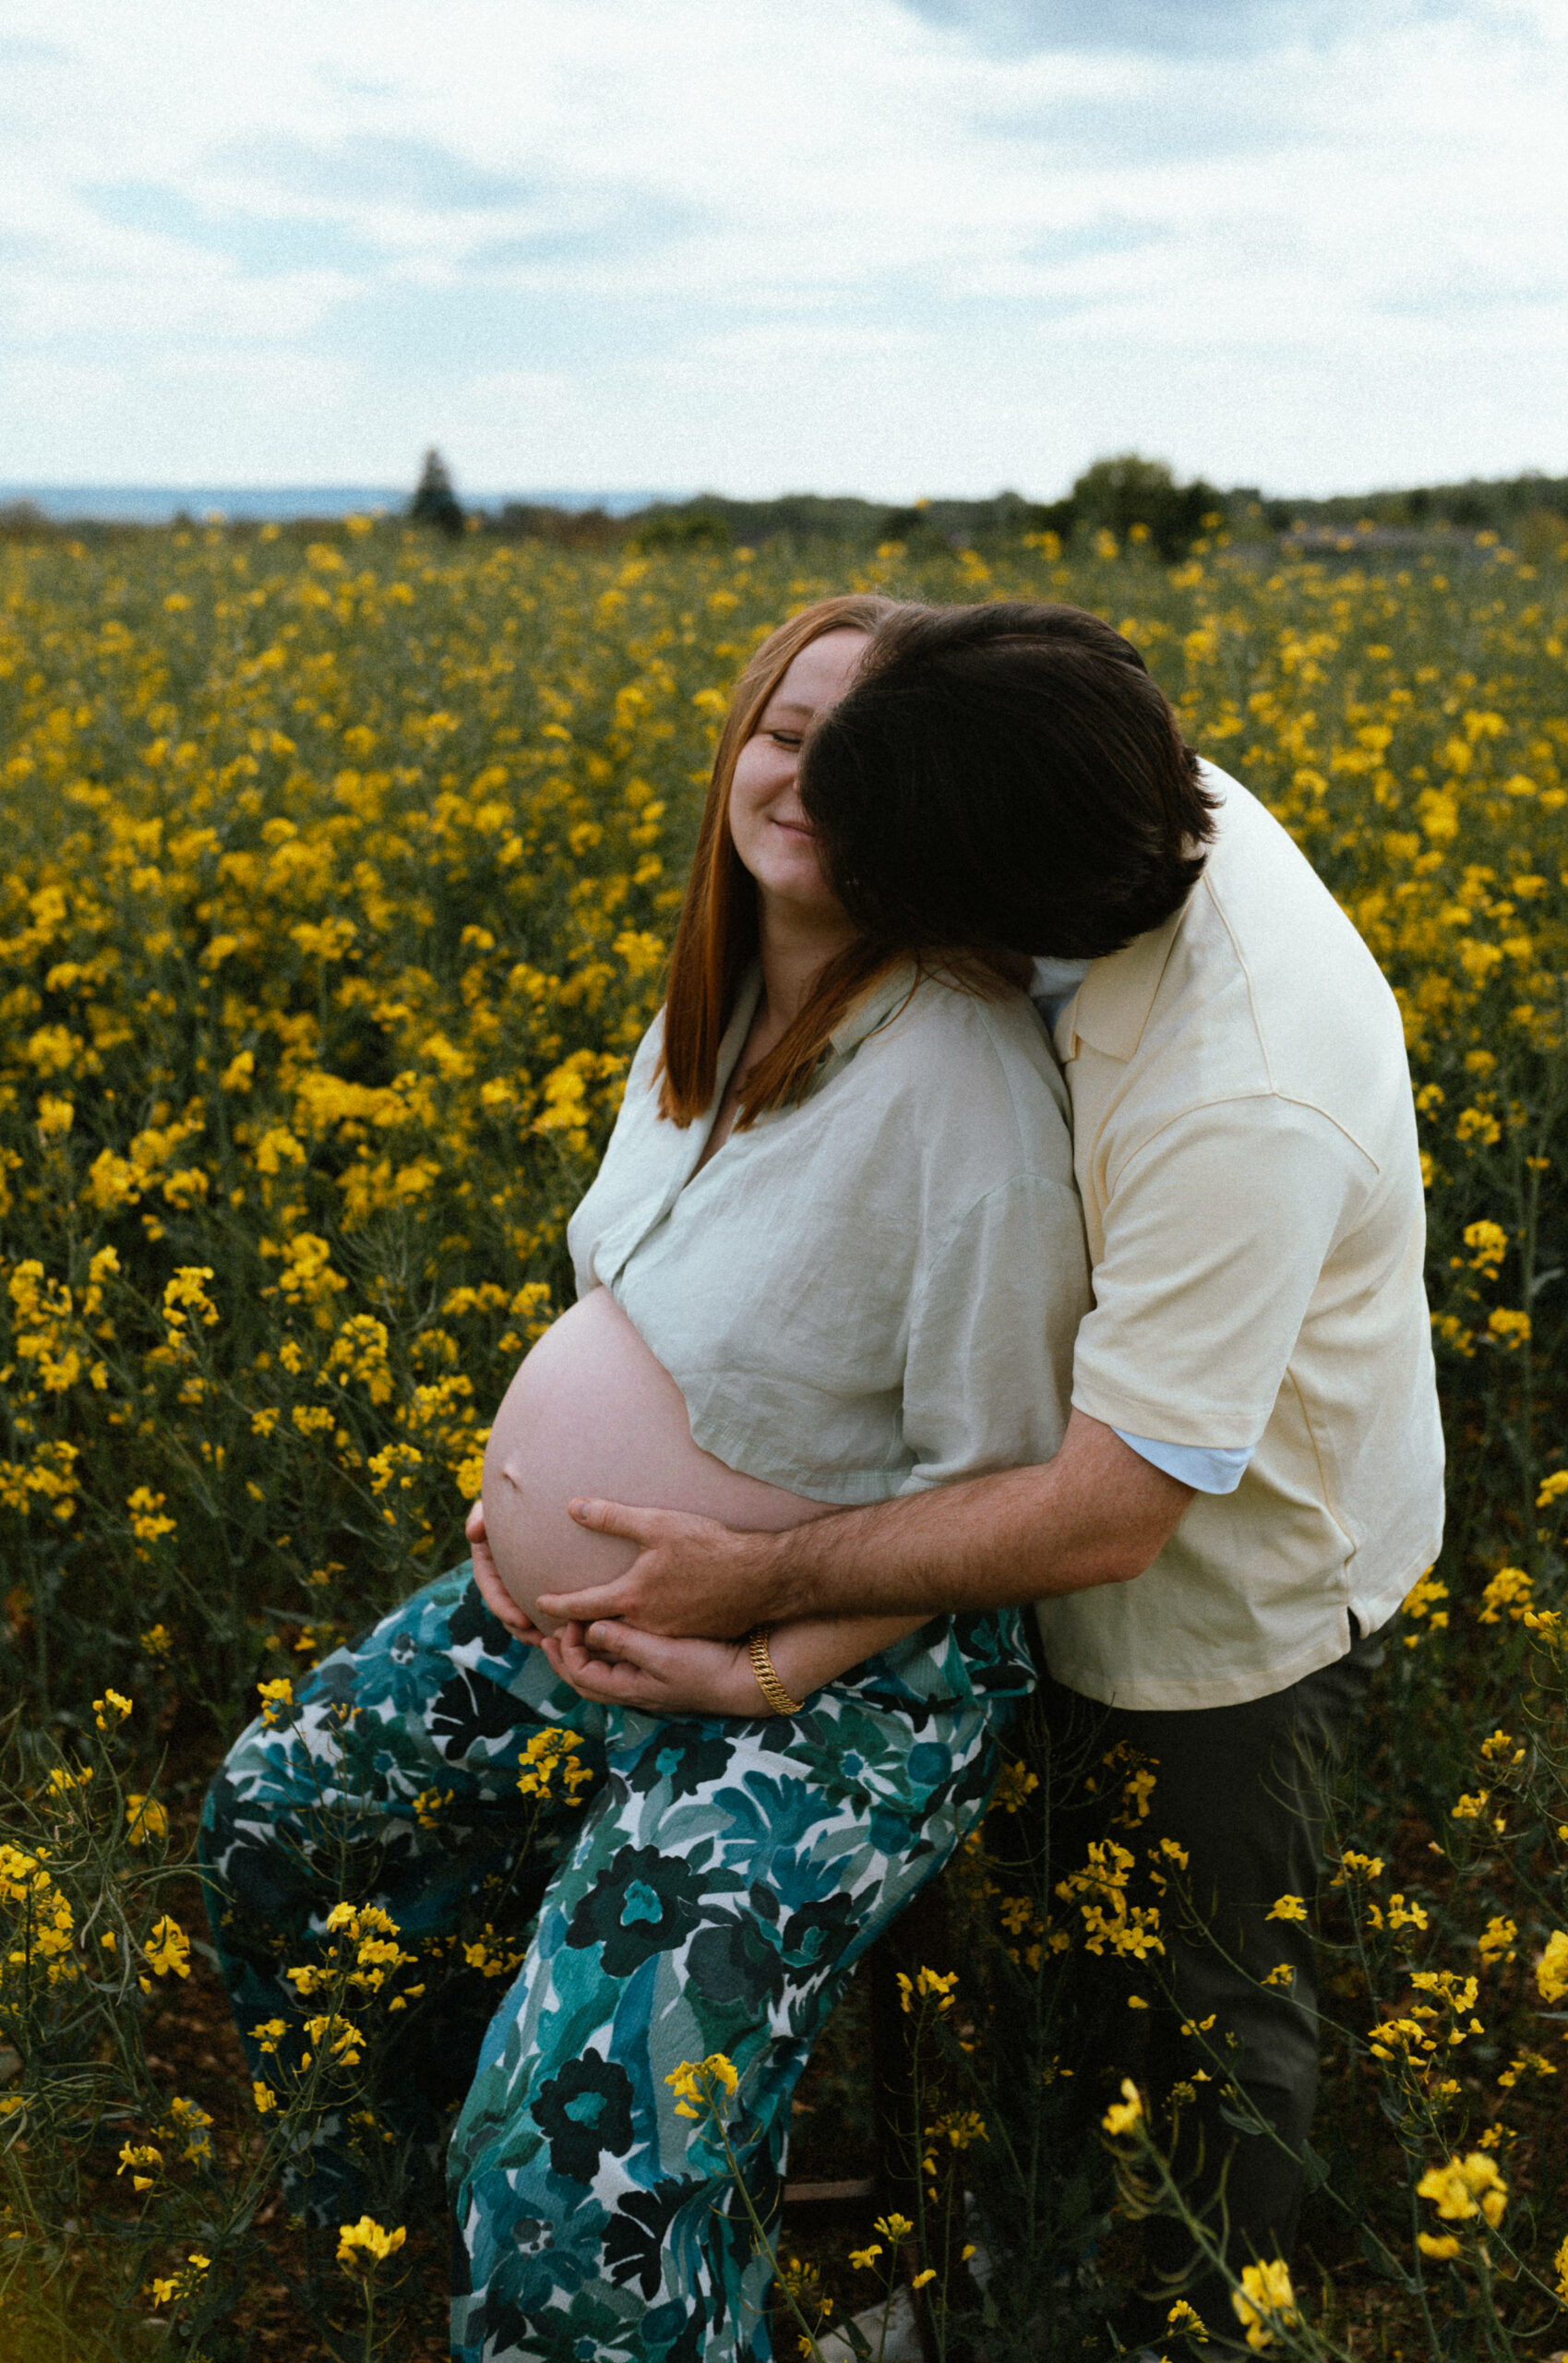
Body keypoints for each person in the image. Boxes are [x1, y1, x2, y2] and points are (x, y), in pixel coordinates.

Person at [514, 601, 1444, 2351]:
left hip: (1217, 1583)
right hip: (1028, 1509)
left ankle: (1166, 2322)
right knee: (1043, 1971)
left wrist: (765, 1585)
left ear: (989, 915)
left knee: (1196, 2002)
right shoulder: (1099, 792)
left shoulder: (1234, 1093)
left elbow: (1111, 1512)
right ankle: (1023, 2280)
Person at [200, 594, 1090, 2363]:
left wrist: (765, 1648)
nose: (810, 776)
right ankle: (435, 2228)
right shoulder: (709, 1014)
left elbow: (999, 1493)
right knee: (278, 1829)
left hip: (835, 1680)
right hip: (589, 1620)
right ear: (733, 749)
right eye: (785, 727)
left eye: (865, 750)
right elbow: (644, 1301)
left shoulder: (962, 1089)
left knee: (578, 2177)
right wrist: (525, 1489)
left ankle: (551, 2233)